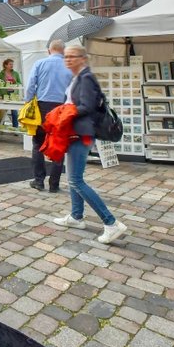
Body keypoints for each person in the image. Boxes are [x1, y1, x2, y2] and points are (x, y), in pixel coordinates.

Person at [52, 44, 127, 245]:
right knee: (73, 177)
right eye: (65, 56)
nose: (67, 60)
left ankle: (111, 223)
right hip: (76, 132)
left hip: (81, 133)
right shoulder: (78, 78)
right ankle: (76, 217)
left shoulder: (86, 78)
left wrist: (65, 112)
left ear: (83, 58)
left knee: (76, 180)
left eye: (72, 56)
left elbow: (88, 107)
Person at [25, 40, 72, 193]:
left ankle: (39, 181)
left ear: (49, 50)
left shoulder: (40, 63)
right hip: (61, 108)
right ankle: (54, 184)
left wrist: (28, 102)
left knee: (38, 143)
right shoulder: (69, 66)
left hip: (42, 107)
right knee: (58, 145)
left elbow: (31, 85)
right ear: (63, 51)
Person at [0, 58, 22, 127]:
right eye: (10, 64)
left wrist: (15, 82)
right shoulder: (1, 74)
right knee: (2, 112)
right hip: (4, 95)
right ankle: (1, 127)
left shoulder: (15, 74)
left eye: (12, 64)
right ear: (5, 65)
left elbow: (20, 83)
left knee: (14, 112)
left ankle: (15, 128)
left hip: (13, 95)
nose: (12, 65)